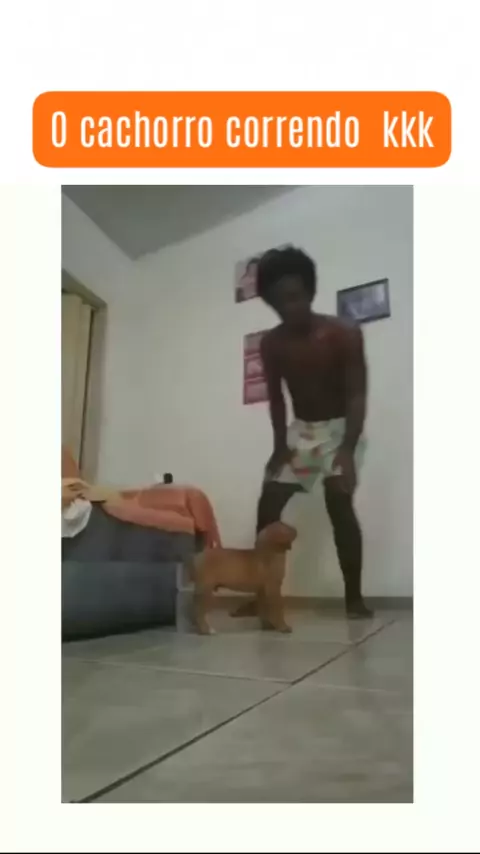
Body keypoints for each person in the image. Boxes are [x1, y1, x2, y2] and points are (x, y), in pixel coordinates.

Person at [233, 246, 372, 619]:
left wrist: (347, 449)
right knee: (269, 501)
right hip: (303, 432)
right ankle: (261, 593)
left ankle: (354, 600)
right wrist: (280, 446)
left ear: (310, 291)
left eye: (294, 297)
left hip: (341, 430)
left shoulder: (344, 333)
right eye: (278, 302)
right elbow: (277, 398)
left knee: (339, 503)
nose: (288, 308)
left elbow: (357, 395)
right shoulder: (271, 343)